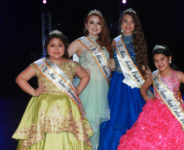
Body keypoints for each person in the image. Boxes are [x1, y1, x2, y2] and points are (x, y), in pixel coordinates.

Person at [117, 44, 184, 150]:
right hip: (154, 112)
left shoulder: (179, 75)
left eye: (162, 59)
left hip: (174, 113)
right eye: (156, 60)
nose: (159, 63)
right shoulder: (153, 76)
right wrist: (147, 98)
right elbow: (143, 89)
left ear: (170, 58)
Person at [12, 30, 93, 150]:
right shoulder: (39, 64)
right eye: (52, 45)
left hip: (67, 106)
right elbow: (20, 78)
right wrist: (33, 92)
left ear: (65, 47)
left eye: (60, 45)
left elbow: (85, 76)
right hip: (44, 107)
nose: (56, 49)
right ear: (46, 48)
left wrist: (78, 90)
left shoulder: (72, 64)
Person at [98, 8, 151, 150]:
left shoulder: (139, 42)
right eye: (125, 21)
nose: (128, 25)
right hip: (118, 84)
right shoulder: (115, 42)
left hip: (135, 86)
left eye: (131, 22)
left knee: (136, 118)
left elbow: (144, 66)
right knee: (116, 118)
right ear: (120, 23)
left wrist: (154, 81)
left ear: (135, 25)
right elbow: (113, 64)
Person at [68, 9, 112, 150]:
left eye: (98, 23)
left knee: (96, 127)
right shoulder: (79, 42)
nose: (95, 26)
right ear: (86, 25)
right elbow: (61, 61)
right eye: (91, 23)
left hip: (102, 90)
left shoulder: (105, 44)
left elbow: (111, 66)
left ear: (102, 26)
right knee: (84, 123)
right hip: (85, 88)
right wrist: (75, 71)